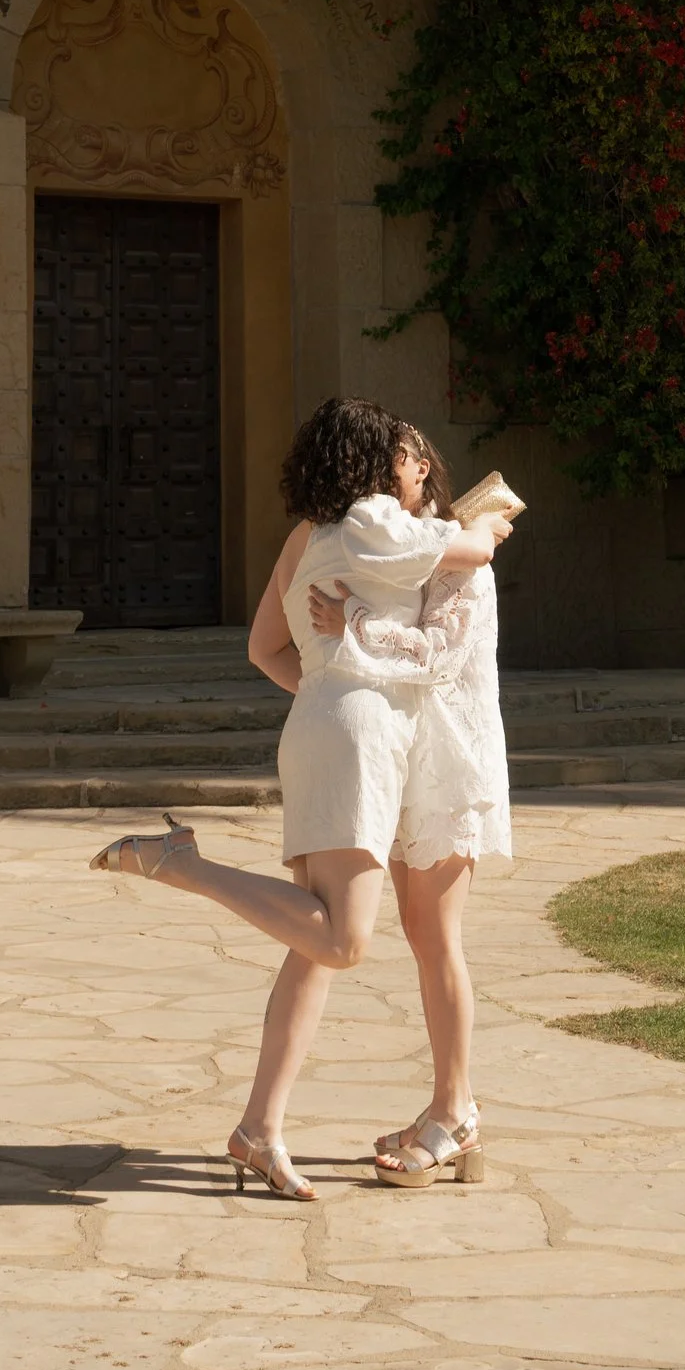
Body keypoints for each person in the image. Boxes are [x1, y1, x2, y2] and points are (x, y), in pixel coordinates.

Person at [87, 395, 515, 1199]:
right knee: (346, 941)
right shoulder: (384, 528)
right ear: (374, 465)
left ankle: (264, 1127)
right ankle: (184, 864)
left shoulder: (309, 536)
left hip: (356, 737)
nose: (405, 463)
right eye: (394, 452)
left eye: (413, 454)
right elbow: (467, 562)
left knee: (323, 944)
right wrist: (483, 531)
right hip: (369, 740)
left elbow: (265, 648)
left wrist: (327, 681)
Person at [308, 420, 510, 1191]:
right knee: (425, 937)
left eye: (392, 458)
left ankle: (455, 1114)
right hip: (406, 758)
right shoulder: (405, 545)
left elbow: (439, 656)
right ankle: (450, 1105)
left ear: (421, 468)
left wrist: (351, 626)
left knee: (437, 937)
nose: (378, 472)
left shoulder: (458, 557)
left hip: (449, 762)